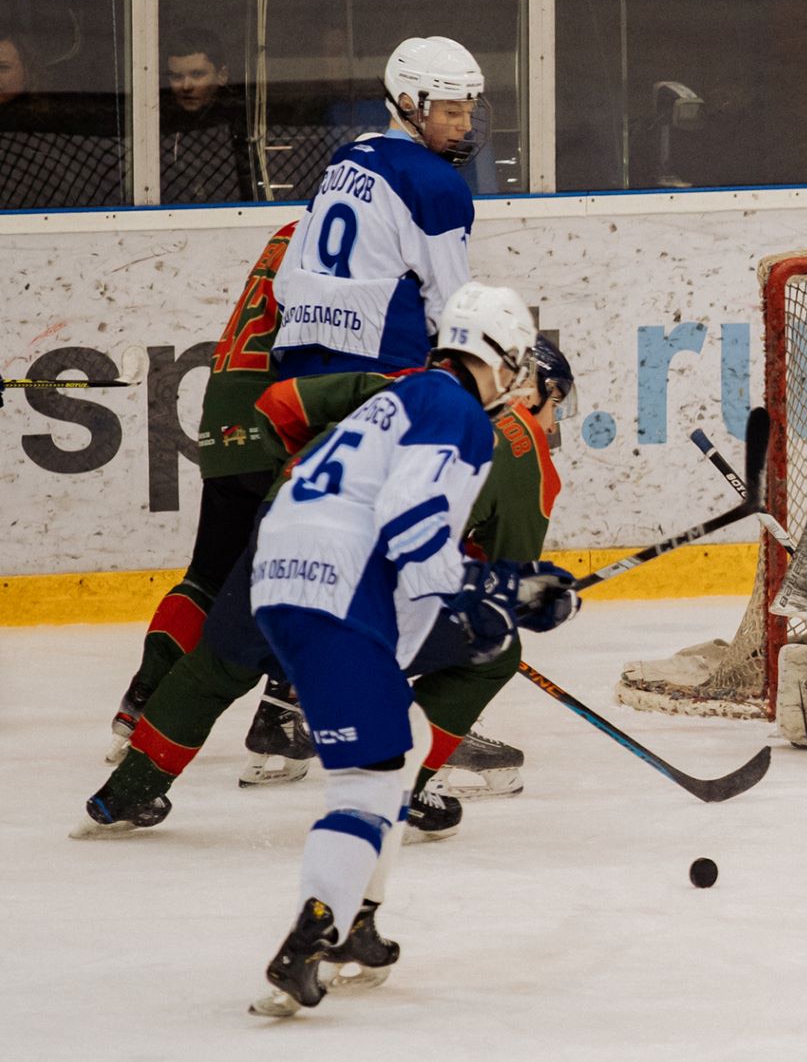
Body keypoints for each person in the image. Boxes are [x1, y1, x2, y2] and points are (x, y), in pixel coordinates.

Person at [74, 336, 577, 845]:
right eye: (556, 404)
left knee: (218, 664)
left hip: (285, 522)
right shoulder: (522, 447)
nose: (554, 425)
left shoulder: (409, 384)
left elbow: (279, 404)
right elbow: (504, 576)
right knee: (495, 652)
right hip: (356, 574)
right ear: (528, 388)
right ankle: (406, 786)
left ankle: (127, 792)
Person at [245, 283, 579, 1015]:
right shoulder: (458, 413)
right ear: (496, 357)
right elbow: (414, 533)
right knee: (368, 781)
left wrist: (500, 594)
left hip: (287, 578)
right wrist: (498, 592)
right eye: (515, 364)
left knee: (411, 732)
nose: (516, 380)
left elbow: (399, 549)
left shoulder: (401, 396)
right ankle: (313, 936)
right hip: (339, 587)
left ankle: (360, 920)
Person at [107, 223, 300, 766]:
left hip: (226, 408)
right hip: (275, 415)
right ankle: (281, 716)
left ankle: (140, 701)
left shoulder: (294, 230)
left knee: (209, 575)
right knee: (311, 557)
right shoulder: (353, 235)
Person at [271, 35, 484, 379]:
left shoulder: (344, 161)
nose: (466, 125)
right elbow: (450, 309)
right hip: (379, 371)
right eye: (452, 111)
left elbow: (284, 286)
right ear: (407, 103)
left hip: (299, 365)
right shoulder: (434, 181)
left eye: (468, 111)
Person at [160, 26, 252, 203]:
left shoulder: (244, 126)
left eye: (197, 74)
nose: (186, 86)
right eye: (176, 77)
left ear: (222, 75)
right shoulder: (157, 128)